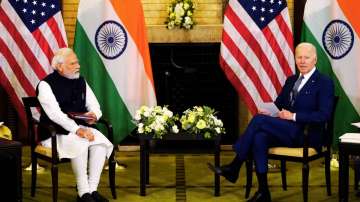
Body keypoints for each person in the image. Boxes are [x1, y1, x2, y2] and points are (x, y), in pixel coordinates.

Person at [208, 42, 334, 202]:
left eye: (306, 58)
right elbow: (279, 105)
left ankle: (235, 165)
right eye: (299, 57)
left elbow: (324, 115)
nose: (302, 61)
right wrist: (271, 111)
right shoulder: (291, 80)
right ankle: (263, 192)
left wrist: (293, 116)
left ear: (315, 59)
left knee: (259, 121)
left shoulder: (324, 82)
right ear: (295, 59)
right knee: (259, 137)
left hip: (307, 134)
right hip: (287, 131)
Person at [37, 48, 113, 202]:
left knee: (101, 144)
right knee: (81, 142)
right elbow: (55, 114)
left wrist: (94, 115)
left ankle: (92, 190)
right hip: (55, 132)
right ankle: (83, 193)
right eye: (73, 63)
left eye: (77, 62)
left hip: (81, 128)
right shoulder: (45, 85)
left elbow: (94, 105)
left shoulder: (80, 81)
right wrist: (77, 130)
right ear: (60, 66)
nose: (78, 65)